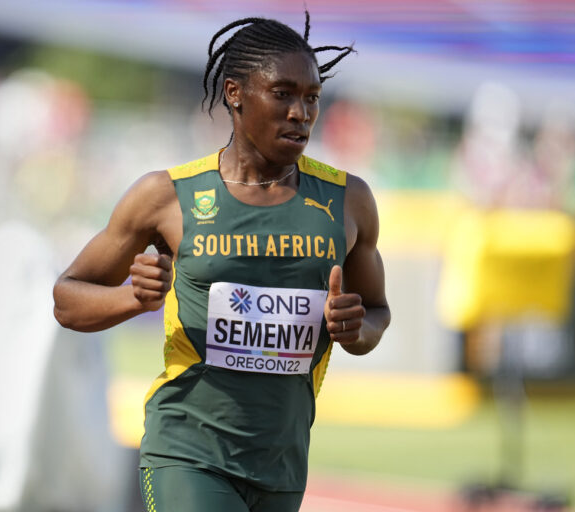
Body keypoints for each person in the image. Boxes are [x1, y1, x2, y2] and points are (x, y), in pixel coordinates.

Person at [53, 11, 390, 512]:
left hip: (282, 461)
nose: (301, 112)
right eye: (283, 94)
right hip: (187, 451)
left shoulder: (349, 201)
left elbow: (377, 313)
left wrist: (353, 329)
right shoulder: (165, 196)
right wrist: (132, 297)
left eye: (312, 98)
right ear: (234, 93)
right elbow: (66, 299)